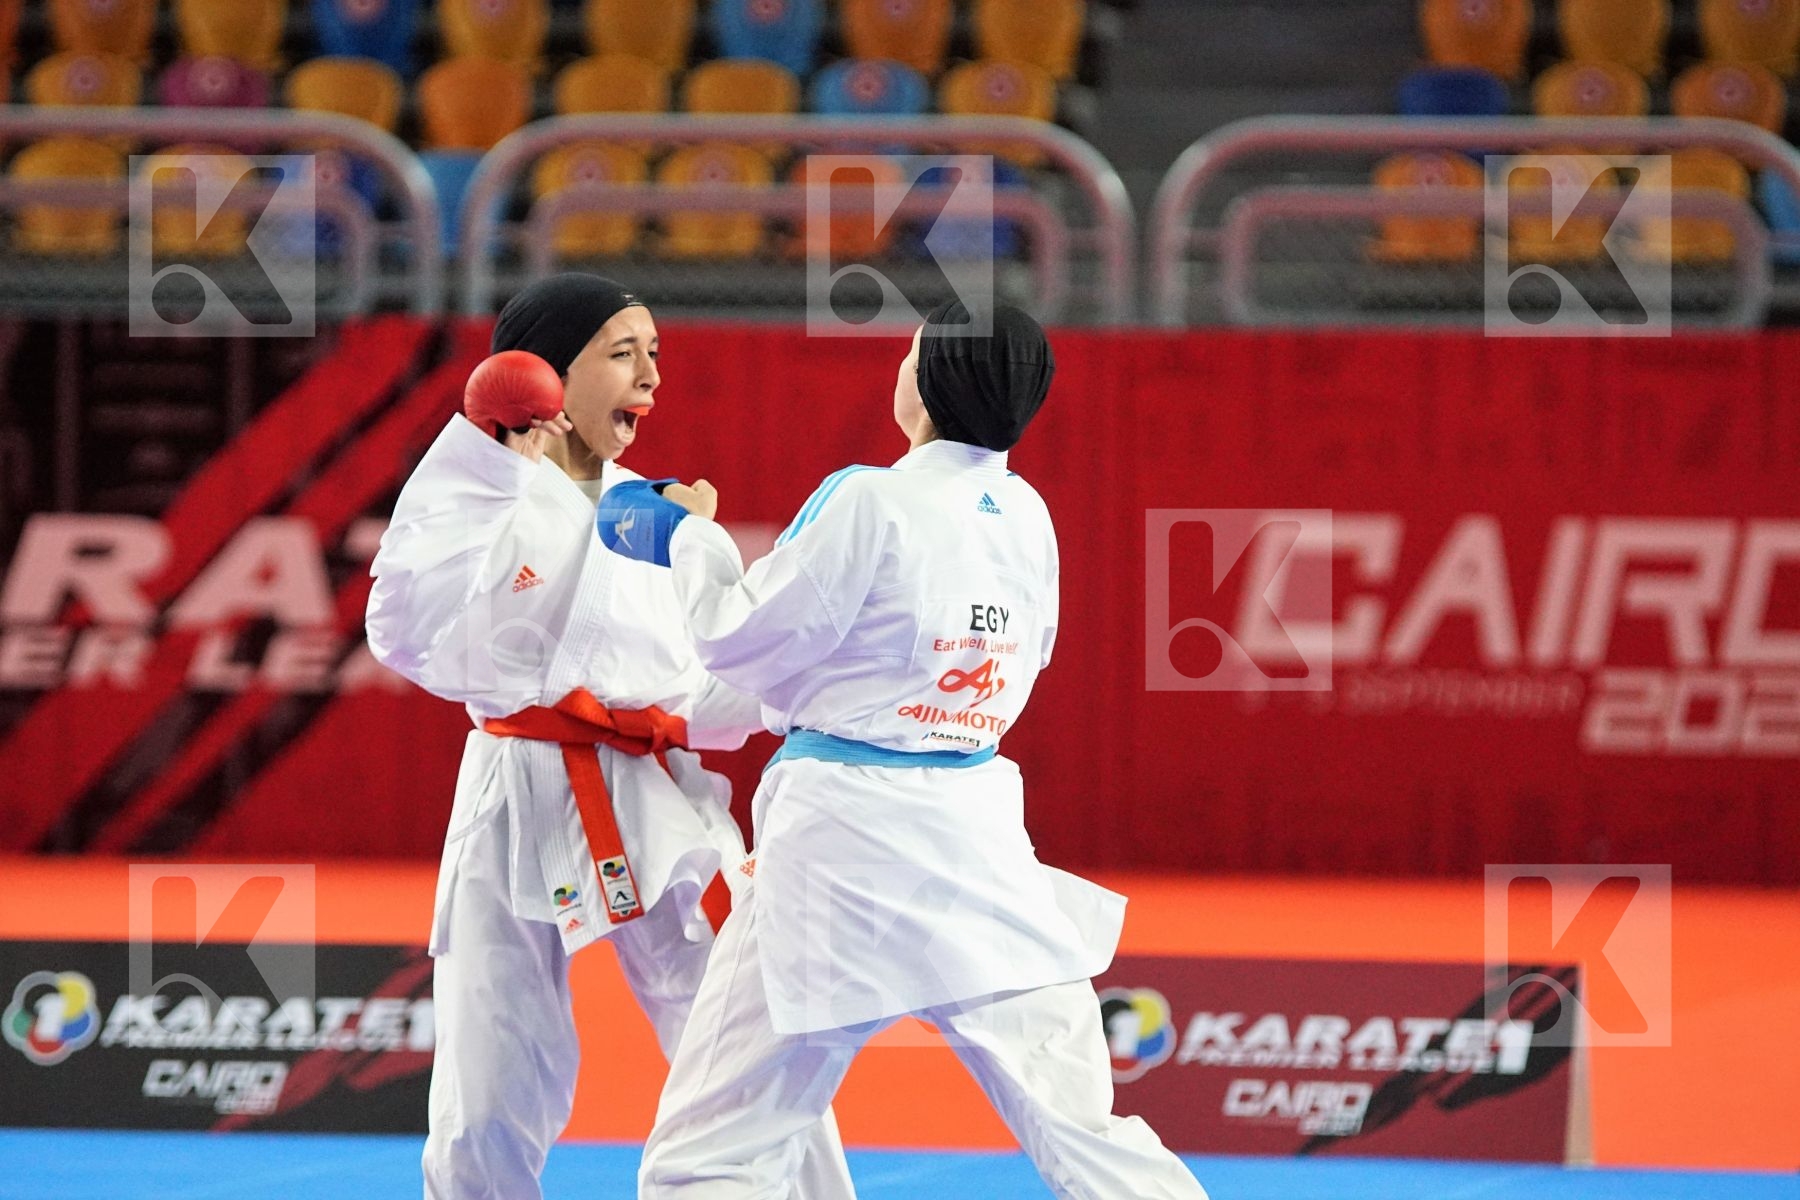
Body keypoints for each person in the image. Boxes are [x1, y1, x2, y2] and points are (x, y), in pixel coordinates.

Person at [599, 301, 1210, 1200]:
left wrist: (687, 538)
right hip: (975, 835)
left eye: (910, 354)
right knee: (1085, 1131)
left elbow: (740, 639)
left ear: (926, 382)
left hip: (839, 846)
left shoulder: (869, 498)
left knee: (710, 1156)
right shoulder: (1027, 513)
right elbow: (1011, 657)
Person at [364, 274, 856, 1200]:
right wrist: (505, 474)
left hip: (654, 792)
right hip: (516, 784)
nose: (651, 378)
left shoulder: (658, 515)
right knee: (487, 1076)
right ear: (545, 374)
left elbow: (703, 684)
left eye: (654, 355)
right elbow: (406, 635)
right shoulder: (476, 492)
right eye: (623, 354)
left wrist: (800, 692)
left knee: (746, 1044)